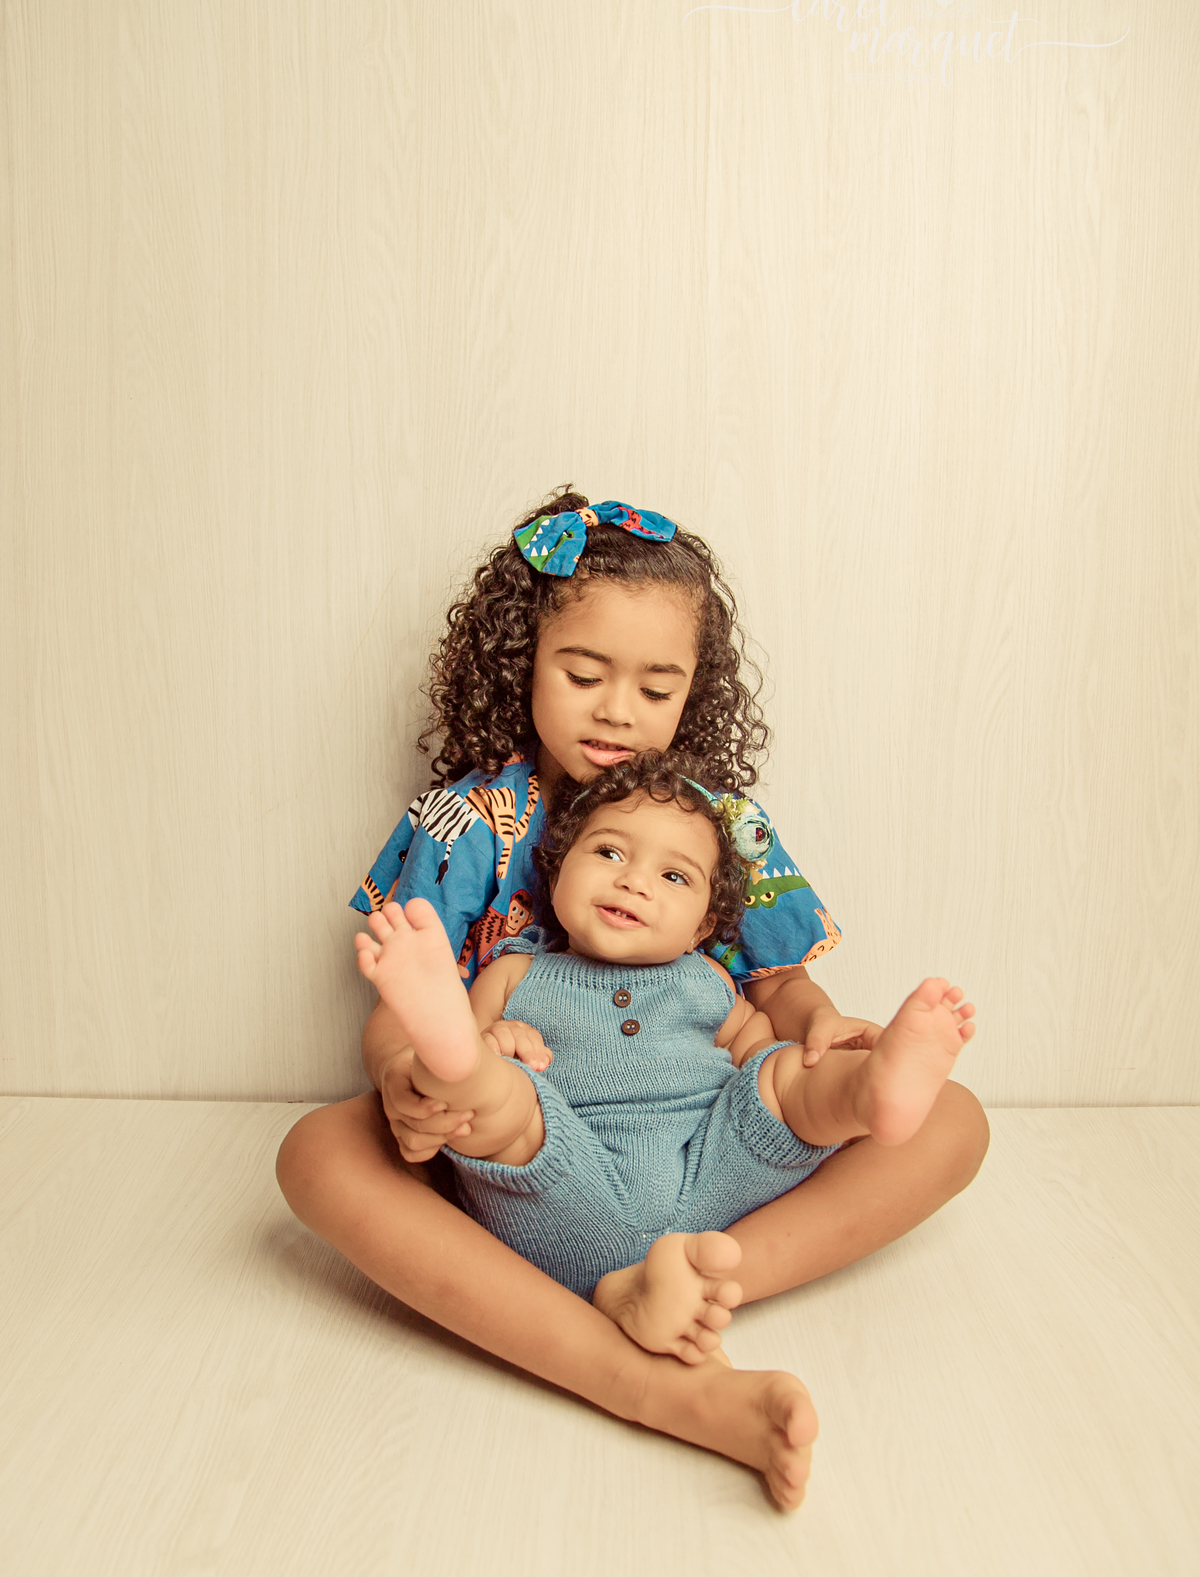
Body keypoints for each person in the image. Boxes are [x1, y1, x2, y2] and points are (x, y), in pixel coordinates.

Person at [276, 492, 989, 1511]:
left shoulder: (722, 820)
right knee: (317, 1155)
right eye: (582, 673)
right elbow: (402, 996)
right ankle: (648, 1374)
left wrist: (819, 1033)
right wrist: (408, 1074)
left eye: (657, 687)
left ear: (694, 694)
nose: (617, 711)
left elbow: (777, 984)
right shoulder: (472, 816)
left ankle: (699, 1279)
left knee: (951, 1120)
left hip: (702, 1128)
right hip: (516, 1133)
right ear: (520, 659)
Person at [352, 754, 977, 1352]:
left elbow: (755, 1055)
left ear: (705, 924)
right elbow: (494, 1052)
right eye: (607, 852)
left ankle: (866, 1093)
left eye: (674, 876)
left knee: (779, 1077)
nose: (633, 880)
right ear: (558, 869)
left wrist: (807, 1066)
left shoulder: (708, 979)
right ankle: (446, 1046)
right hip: (566, 1184)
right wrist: (490, 1045)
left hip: (716, 1180)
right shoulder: (515, 974)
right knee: (503, 1099)